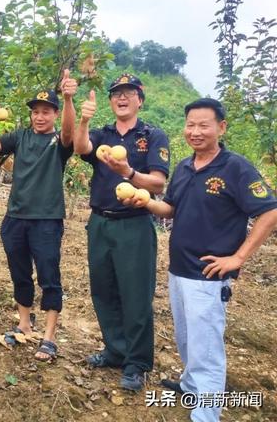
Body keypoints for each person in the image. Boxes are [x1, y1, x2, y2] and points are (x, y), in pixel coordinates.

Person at [125, 98, 277, 421]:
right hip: (179, 270)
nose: (195, 132)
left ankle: (205, 414)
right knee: (186, 337)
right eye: (190, 125)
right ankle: (191, 386)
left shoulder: (235, 168)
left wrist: (237, 257)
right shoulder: (183, 167)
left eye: (203, 125)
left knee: (206, 348)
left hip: (208, 275)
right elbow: (171, 209)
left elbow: (269, 213)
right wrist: (146, 202)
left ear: (221, 128)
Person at [73, 73, 170, 391]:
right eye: (116, 94)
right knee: (104, 290)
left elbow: (158, 182)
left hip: (134, 224)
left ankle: (137, 362)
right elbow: (80, 147)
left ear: (140, 99)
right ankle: (115, 350)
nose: (122, 98)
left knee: (136, 294)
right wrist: (84, 120)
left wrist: (128, 172)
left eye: (129, 93)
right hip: (100, 222)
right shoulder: (104, 134)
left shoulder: (153, 135)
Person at [0, 70, 77, 362]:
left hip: (46, 219)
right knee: (19, 272)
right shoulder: (20, 136)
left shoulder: (59, 142)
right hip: (16, 218)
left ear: (55, 114)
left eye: (46, 112)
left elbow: (71, 132)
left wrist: (69, 99)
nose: (39, 117)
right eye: (36, 112)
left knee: (49, 275)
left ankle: (49, 337)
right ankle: (24, 322)